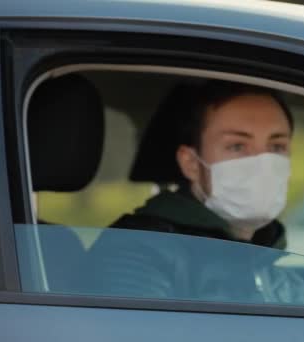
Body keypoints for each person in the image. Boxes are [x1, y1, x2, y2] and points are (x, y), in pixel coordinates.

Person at [112, 80, 294, 249]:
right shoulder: (138, 247)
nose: (262, 163)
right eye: (237, 146)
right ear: (191, 163)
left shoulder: (271, 264)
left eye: (277, 146)